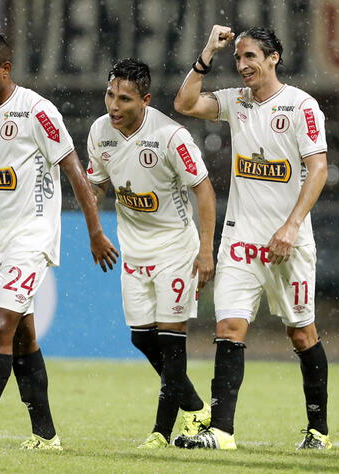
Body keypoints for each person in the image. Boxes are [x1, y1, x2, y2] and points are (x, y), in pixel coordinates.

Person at [0, 32, 118, 452]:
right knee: (22, 337)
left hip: (32, 237)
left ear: (5, 68)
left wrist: (94, 231)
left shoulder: (38, 111)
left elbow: (74, 172)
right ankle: (46, 436)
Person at [172, 25, 330, 450]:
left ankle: (318, 431)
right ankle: (221, 431)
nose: (242, 66)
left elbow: (318, 169)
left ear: (274, 57)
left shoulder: (301, 106)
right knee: (229, 326)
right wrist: (207, 51)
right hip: (241, 239)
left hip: (288, 243)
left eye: (250, 57)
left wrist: (292, 225)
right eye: (238, 59)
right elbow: (184, 102)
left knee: (301, 333)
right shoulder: (236, 102)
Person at [87, 58, 217, 449]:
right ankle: (196, 408)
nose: (113, 105)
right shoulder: (99, 132)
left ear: (144, 100)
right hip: (134, 249)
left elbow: (204, 191)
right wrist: (93, 220)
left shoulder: (171, 137)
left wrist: (207, 249)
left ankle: (161, 432)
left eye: (124, 98)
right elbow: (98, 185)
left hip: (176, 248)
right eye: (110, 94)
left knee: (172, 339)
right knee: (142, 339)